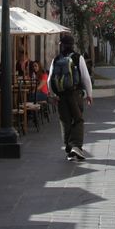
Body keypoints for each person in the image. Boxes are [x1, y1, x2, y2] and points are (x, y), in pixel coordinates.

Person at [47, 33, 93, 161]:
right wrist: (89, 94)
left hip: (61, 96)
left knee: (65, 121)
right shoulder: (78, 58)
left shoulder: (56, 59)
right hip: (75, 94)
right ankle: (76, 146)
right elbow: (85, 78)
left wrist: (53, 94)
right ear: (72, 45)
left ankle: (68, 148)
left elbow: (50, 79)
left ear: (61, 46)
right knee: (78, 119)